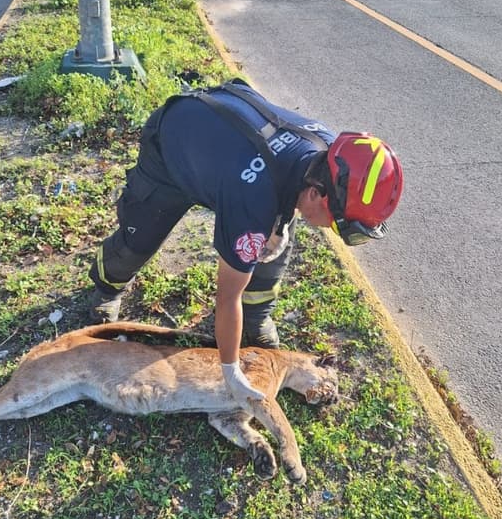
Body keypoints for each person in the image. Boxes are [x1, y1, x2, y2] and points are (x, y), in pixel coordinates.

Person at [88, 79, 403, 402]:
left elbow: (285, 181)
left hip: (226, 151)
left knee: (270, 250)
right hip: (172, 147)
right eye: (339, 225)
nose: (332, 229)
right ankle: (106, 285)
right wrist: (231, 372)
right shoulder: (252, 203)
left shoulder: (325, 152)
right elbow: (227, 298)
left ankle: (257, 316)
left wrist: (280, 225)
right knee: (135, 245)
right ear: (314, 192)